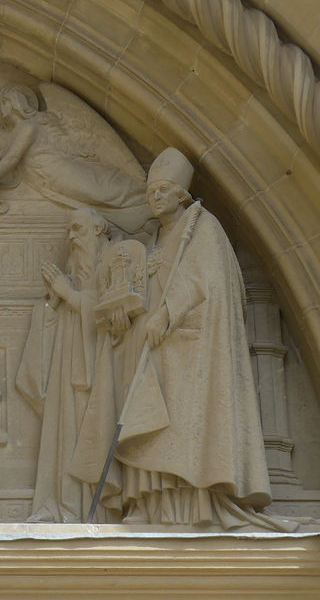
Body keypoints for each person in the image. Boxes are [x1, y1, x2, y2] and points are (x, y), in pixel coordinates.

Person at [102, 148, 284, 529]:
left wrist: (167, 314)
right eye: (151, 191)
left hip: (189, 351)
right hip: (152, 346)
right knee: (148, 420)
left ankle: (190, 509)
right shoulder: (156, 238)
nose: (156, 197)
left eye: (164, 190)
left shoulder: (204, 229)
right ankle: (151, 504)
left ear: (182, 194)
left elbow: (207, 280)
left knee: (184, 430)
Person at [15, 208, 118, 522]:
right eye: (69, 231)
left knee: (92, 431)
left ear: (97, 229)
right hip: (68, 361)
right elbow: (56, 315)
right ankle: (63, 505)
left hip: (98, 368)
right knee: (64, 431)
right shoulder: (75, 271)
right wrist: (55, 301)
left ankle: (94, 511)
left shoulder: (114, 262)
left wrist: (70, 295)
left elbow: (114, 313)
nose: (71, 237)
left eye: (77, 229)